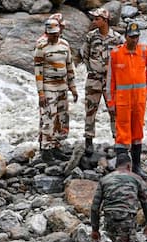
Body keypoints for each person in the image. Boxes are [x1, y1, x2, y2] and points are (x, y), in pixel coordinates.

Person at [106, 22, 147, 177]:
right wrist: (110, 101)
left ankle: (137, 166)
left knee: (137, 131)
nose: (134, 40)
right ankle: (121, 168)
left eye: (137, 37)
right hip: (122, 99)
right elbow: (110, 79)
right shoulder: (116, 53)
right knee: (122, 133)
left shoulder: (144, 51)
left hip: (139, 99)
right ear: (125, 37)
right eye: (132, 37)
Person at [34, 19, 78, 163]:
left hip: (62, 87)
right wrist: (41, 93)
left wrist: (73, 87)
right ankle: (46, 149)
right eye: (51, 34)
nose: (54, 36)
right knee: (48, 117)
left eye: (56, 33)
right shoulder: (41, 47)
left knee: (61, 118)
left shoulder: (65, 45)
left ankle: (56, 146)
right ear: (47, 33)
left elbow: (70, 66)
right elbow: (38, 71)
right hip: (48, 88)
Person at [82, 8, 124, 155]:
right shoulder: (90, 37)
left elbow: (122, 59)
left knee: (114, 110)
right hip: (94, 79)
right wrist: (92, 69)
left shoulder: (117, 38)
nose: (94, 21)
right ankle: (88, 140)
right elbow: (84, 55)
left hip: (111, 81)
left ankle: (118, 140)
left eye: (96, 19)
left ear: (105, 20)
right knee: (90, 110)